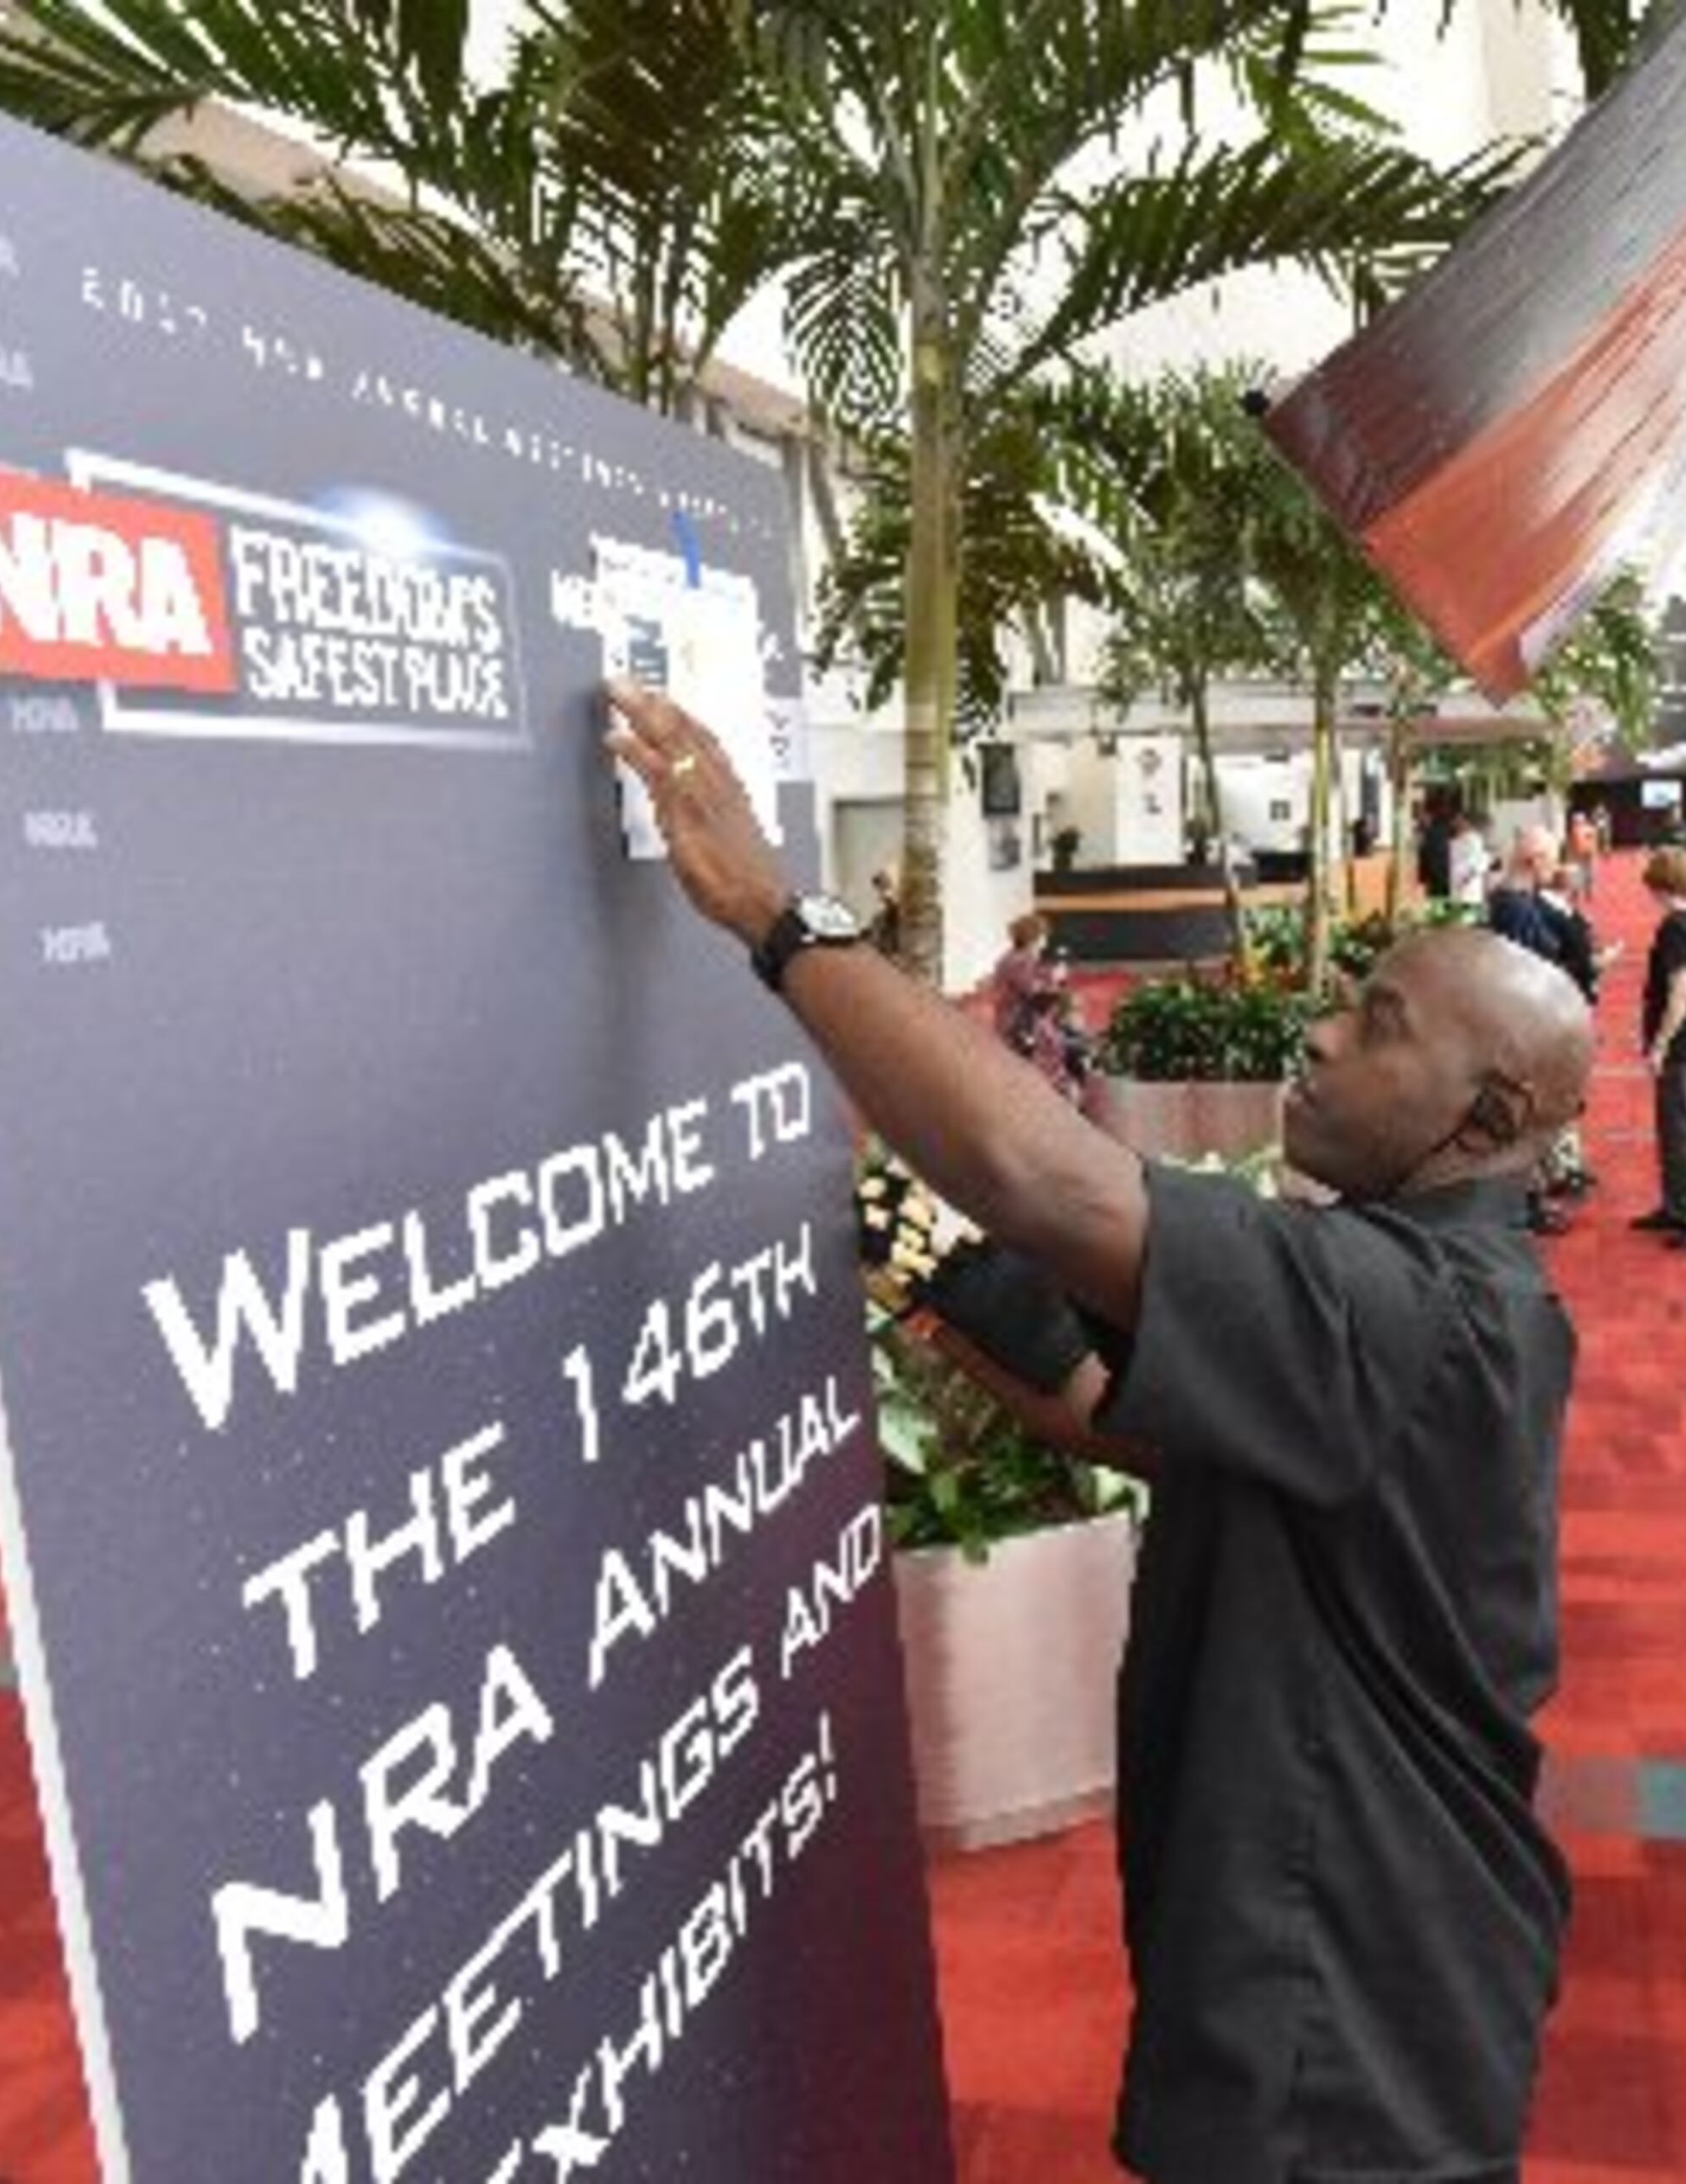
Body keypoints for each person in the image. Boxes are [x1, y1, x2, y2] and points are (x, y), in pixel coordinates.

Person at [605, 682, 1596, 2180]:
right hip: (1348, 1955)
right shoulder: (1424, 1298)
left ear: (1485, 1112)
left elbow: (1049, 1179)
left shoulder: (1414, 1312)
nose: (1317, 1041)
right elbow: (1119, 1415)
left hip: (1352, 2011)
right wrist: (926, 1262)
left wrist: (780, 914)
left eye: (1372, 1023)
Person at [1487, 826, 1607, 1232]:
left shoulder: (1518, 900)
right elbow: (1530, 969)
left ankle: (1534, 1195)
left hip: (1528, 1020)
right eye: (1552, 859)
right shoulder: (1514, 905)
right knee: (1529, 1117)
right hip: (1526, 1025)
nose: (1557, 868)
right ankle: (1526, 1202)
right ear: (1534, 860)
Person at [1632, 846, 1686, 1249]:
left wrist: (1660, 1045)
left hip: (1682, 1045)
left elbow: (1681, 991)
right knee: (1671, 1128)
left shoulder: (1677, 928)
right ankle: (1676, 1205)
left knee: (1682, 1130)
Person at [989, 908, 1087, 1104]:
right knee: (1063, 1044)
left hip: (1016, 1021)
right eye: (1043, 935)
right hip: (1021, 1025)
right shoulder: (1021, 960)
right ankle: (1060, 1099)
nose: (1045, 940)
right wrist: (1056, 978)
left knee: (1069, 1039)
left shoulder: (1012, 958)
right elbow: (1036, 995)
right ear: (1033, 936)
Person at [1565, 803, 1602, 902]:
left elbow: (1594, 841)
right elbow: (1570, 843)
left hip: (1587, 854)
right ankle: (1576, 894)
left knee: (1589, 873)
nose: (1576, 823)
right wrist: (1570, 854)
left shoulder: (1589, 829)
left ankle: (1589, 893)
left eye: (1578, 821)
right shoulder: (1573, 831)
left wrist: (1594, 852)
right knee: (1577, 874)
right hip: (1577, 854)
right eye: (1575, 822)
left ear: (1583, 821)